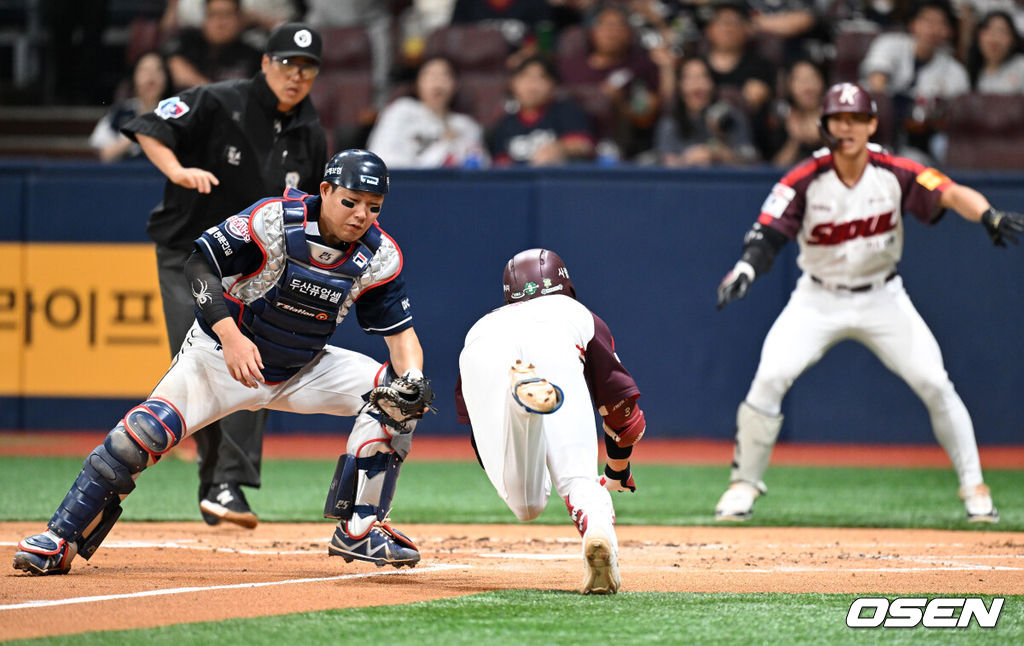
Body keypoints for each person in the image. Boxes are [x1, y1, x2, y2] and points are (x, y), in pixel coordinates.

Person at [13, 150, 432, 576]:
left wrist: (413, 377)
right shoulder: (272, 220)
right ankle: (61, 538)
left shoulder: (380, 257)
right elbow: (198, 265)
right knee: (142, 434)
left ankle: (361, 528)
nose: (362, 215)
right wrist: (230, 335)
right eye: (351, 201)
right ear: (324, 190)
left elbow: (402, 337)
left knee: (399, 398)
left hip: (300, 367)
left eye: (373, 206)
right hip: (220, 356)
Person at [713, 82, 1024, 524]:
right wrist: (745, 269)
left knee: (935, 384)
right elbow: (768, 233)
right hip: (817, 298)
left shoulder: (894, 170)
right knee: (770, 378)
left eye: (857, 118)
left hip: (883, 297)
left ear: (872, 124)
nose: (848, 127)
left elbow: (950, 192)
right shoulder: (804, 177)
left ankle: (975, 488)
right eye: (839, 119)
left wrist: (987, 213)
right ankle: (743, 485)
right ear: (825, 126)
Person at [121, 22, 328, 529]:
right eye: (286, 63)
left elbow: (316, 212)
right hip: (187, 254)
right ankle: (216, 479)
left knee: (252, 360)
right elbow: (152, 125)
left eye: (306, 67)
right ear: (265, 63)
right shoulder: (219, 101)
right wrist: (176, 172)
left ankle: (227, 483)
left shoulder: (310, 132)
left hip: (254, 266)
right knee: (203, 358)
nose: (295, 75)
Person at [455, 249, 646, 595]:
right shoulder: (574, 312)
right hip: (555, 348)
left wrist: (503, 466)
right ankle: (598, 530)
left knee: (527, 506)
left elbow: (476, 426)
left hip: (483, 354)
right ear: (565, 284)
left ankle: (521, 405)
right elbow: (623, 414)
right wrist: (618, 470)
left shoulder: (482, 326)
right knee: (578, 480)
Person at [860, 0, 969, 161]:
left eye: (941, 23)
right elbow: (877, 86)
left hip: (921, 140)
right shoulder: (889, 43)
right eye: (927, 21)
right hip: (878, 128)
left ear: (948, 31)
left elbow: (953, 118)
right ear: (913, 24)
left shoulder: (955, 71)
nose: (933, 29)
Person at [558, 5, 661, 158]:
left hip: (619, 145)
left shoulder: (640, 68)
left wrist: (618, 102)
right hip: (570, 140)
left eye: (618, 26)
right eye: (605, 26)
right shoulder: (569, 66)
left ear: (629, 34)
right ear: (593, 32)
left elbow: (645, 115)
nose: (611, 33)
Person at [366, 56, 489, 168]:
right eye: (430, 75)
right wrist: (440, 148)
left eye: (444, 76)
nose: (437, 82)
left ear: (455, 85)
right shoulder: (401, 111)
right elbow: (381, 158)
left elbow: (482, 167)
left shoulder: (466, 125)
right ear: (417, 83)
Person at [489, 56, 595, 165]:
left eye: (541, 78)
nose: (532, 85)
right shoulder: (504, 125)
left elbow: (584, 146)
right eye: (526, 77)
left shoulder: (567, 112)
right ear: (513, 84)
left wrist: (560, 149)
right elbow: (499, 164)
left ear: (553, 85)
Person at [655, 56, 758, 167]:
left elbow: (752, 161)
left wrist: (721, 153)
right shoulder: (670, 123)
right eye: (690, 78)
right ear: (680, 85)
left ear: (712, 84)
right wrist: (688, 159)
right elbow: (664, 166)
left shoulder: (731, 117)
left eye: (703, 77)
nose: (697, 85)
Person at [90, 52, 171, 163]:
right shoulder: (119, 113)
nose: (151, 76)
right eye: (145, 70)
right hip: (127, 176)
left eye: (158, 70)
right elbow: (104, 155)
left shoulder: (178, 112)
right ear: (134, 76)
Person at [165, 0, 263, 90]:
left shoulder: (254, 56)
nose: (220, 23)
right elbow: (177, 69)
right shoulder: (188, 44)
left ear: (239, 19)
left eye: (227, 15)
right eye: (214, 15)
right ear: (205, 19)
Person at [766, 58, 826, 167]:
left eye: (812, 78)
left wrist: (826, 135)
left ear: (822, 82)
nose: (807, 86)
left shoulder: (836, 119)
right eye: (800, 80)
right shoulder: (779, 119)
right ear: (789, 86)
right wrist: (795, 139)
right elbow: (776, 169)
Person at [965, 10, 1024, 93]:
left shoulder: (1021, 66)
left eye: (1002, 31)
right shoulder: (971, 72)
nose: (994, 39)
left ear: (1013, 40)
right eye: (989, 30)